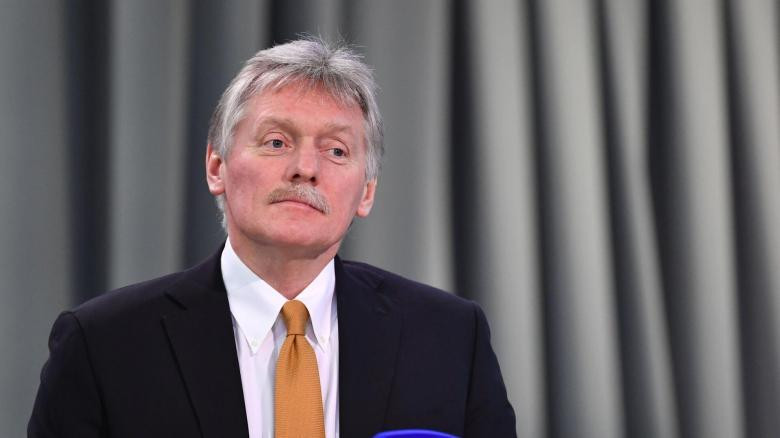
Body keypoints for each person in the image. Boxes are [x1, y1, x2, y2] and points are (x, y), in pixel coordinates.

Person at [28, 38, 516, 438]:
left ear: (366, 192)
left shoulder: (451, 337)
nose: (305, 168)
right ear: (216, 167)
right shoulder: (103, 344)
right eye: (277, 142)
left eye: (337, 151)